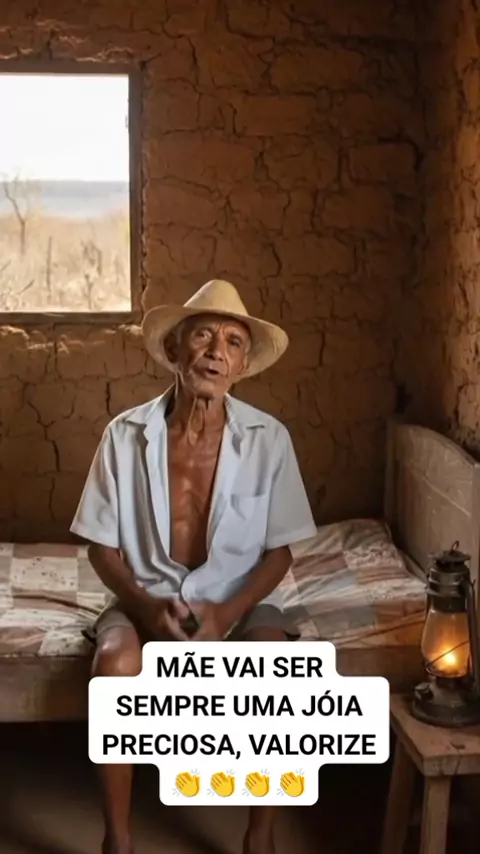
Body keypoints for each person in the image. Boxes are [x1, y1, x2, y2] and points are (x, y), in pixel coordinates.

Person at [70, 279, 317, 854]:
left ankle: (260, 836)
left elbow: (280, 550)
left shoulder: (269, 440)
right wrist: (144, 606)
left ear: (243, 364)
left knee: (278, 667)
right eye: (202, 336)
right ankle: (118, 840)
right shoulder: (124, 435)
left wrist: (227, 613)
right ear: (174, 350)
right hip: (145, 595)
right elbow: (101, 548)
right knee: (113, 665)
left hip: (239, 599)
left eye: (232, 342)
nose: (216, 352)